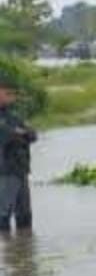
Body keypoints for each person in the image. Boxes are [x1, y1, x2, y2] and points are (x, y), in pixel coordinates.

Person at [0, 77, 36, 231]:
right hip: (5, 172)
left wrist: (22, 133)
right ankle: (8, 249)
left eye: (11, 94)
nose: (10, 97)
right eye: (6, 93)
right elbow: (7, 136)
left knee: (25, 216)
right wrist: (20, 134)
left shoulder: (13, 116)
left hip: (21, 170)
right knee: (4, 216)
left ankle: (22, 250)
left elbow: (32, 135)